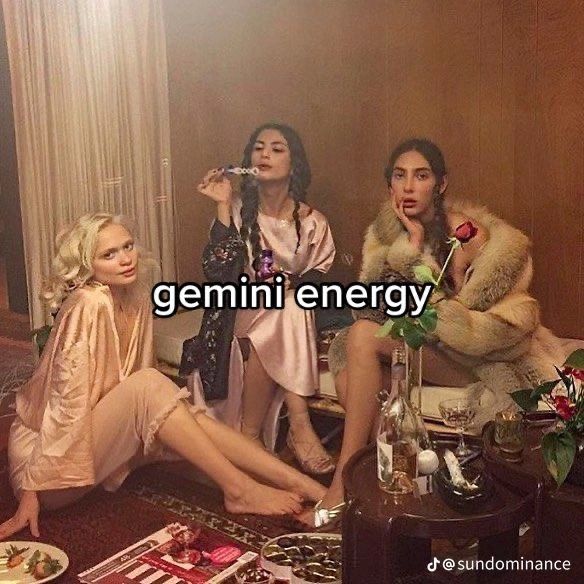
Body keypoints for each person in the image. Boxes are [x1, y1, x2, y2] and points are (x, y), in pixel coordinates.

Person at [0, 213, 327, 541]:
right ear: (87, 265)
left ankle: (305, 485)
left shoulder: (135, 293)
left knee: (183, 410)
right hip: (46, 467)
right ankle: (239, 489)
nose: (125, 259)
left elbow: (135, 384)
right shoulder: (90, 301)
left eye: (127, 246)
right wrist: (32, 489)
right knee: (150, 384)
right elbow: (64, 403)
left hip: (93, 443)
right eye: (108, 254)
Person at [308, 138, 565, 525]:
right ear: (390, 186)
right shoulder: (387, 233)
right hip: (416, 345)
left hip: (475, 356)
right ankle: (395, 488)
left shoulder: (472, 237)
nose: (409, 186)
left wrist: (433, 307)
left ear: (441, 184)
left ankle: (346, 482)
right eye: (400, 176)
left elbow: (495, 327)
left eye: (421, 175)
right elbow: (371, 306)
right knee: (358, 347)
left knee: (361, 338)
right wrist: (409, 249)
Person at [183, 123, 336, 474]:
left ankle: (254, 433)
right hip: (238, 312)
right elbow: (219, 274)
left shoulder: (314, 223)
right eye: (258, 147)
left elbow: (320, 277)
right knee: (286, 308)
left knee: (291, 306)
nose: (264, 153)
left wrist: (292, 285)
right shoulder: (235, 210)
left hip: (287, 314)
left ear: (294, 164)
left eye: (277, 148)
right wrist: (222, 205)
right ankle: (298, 427)